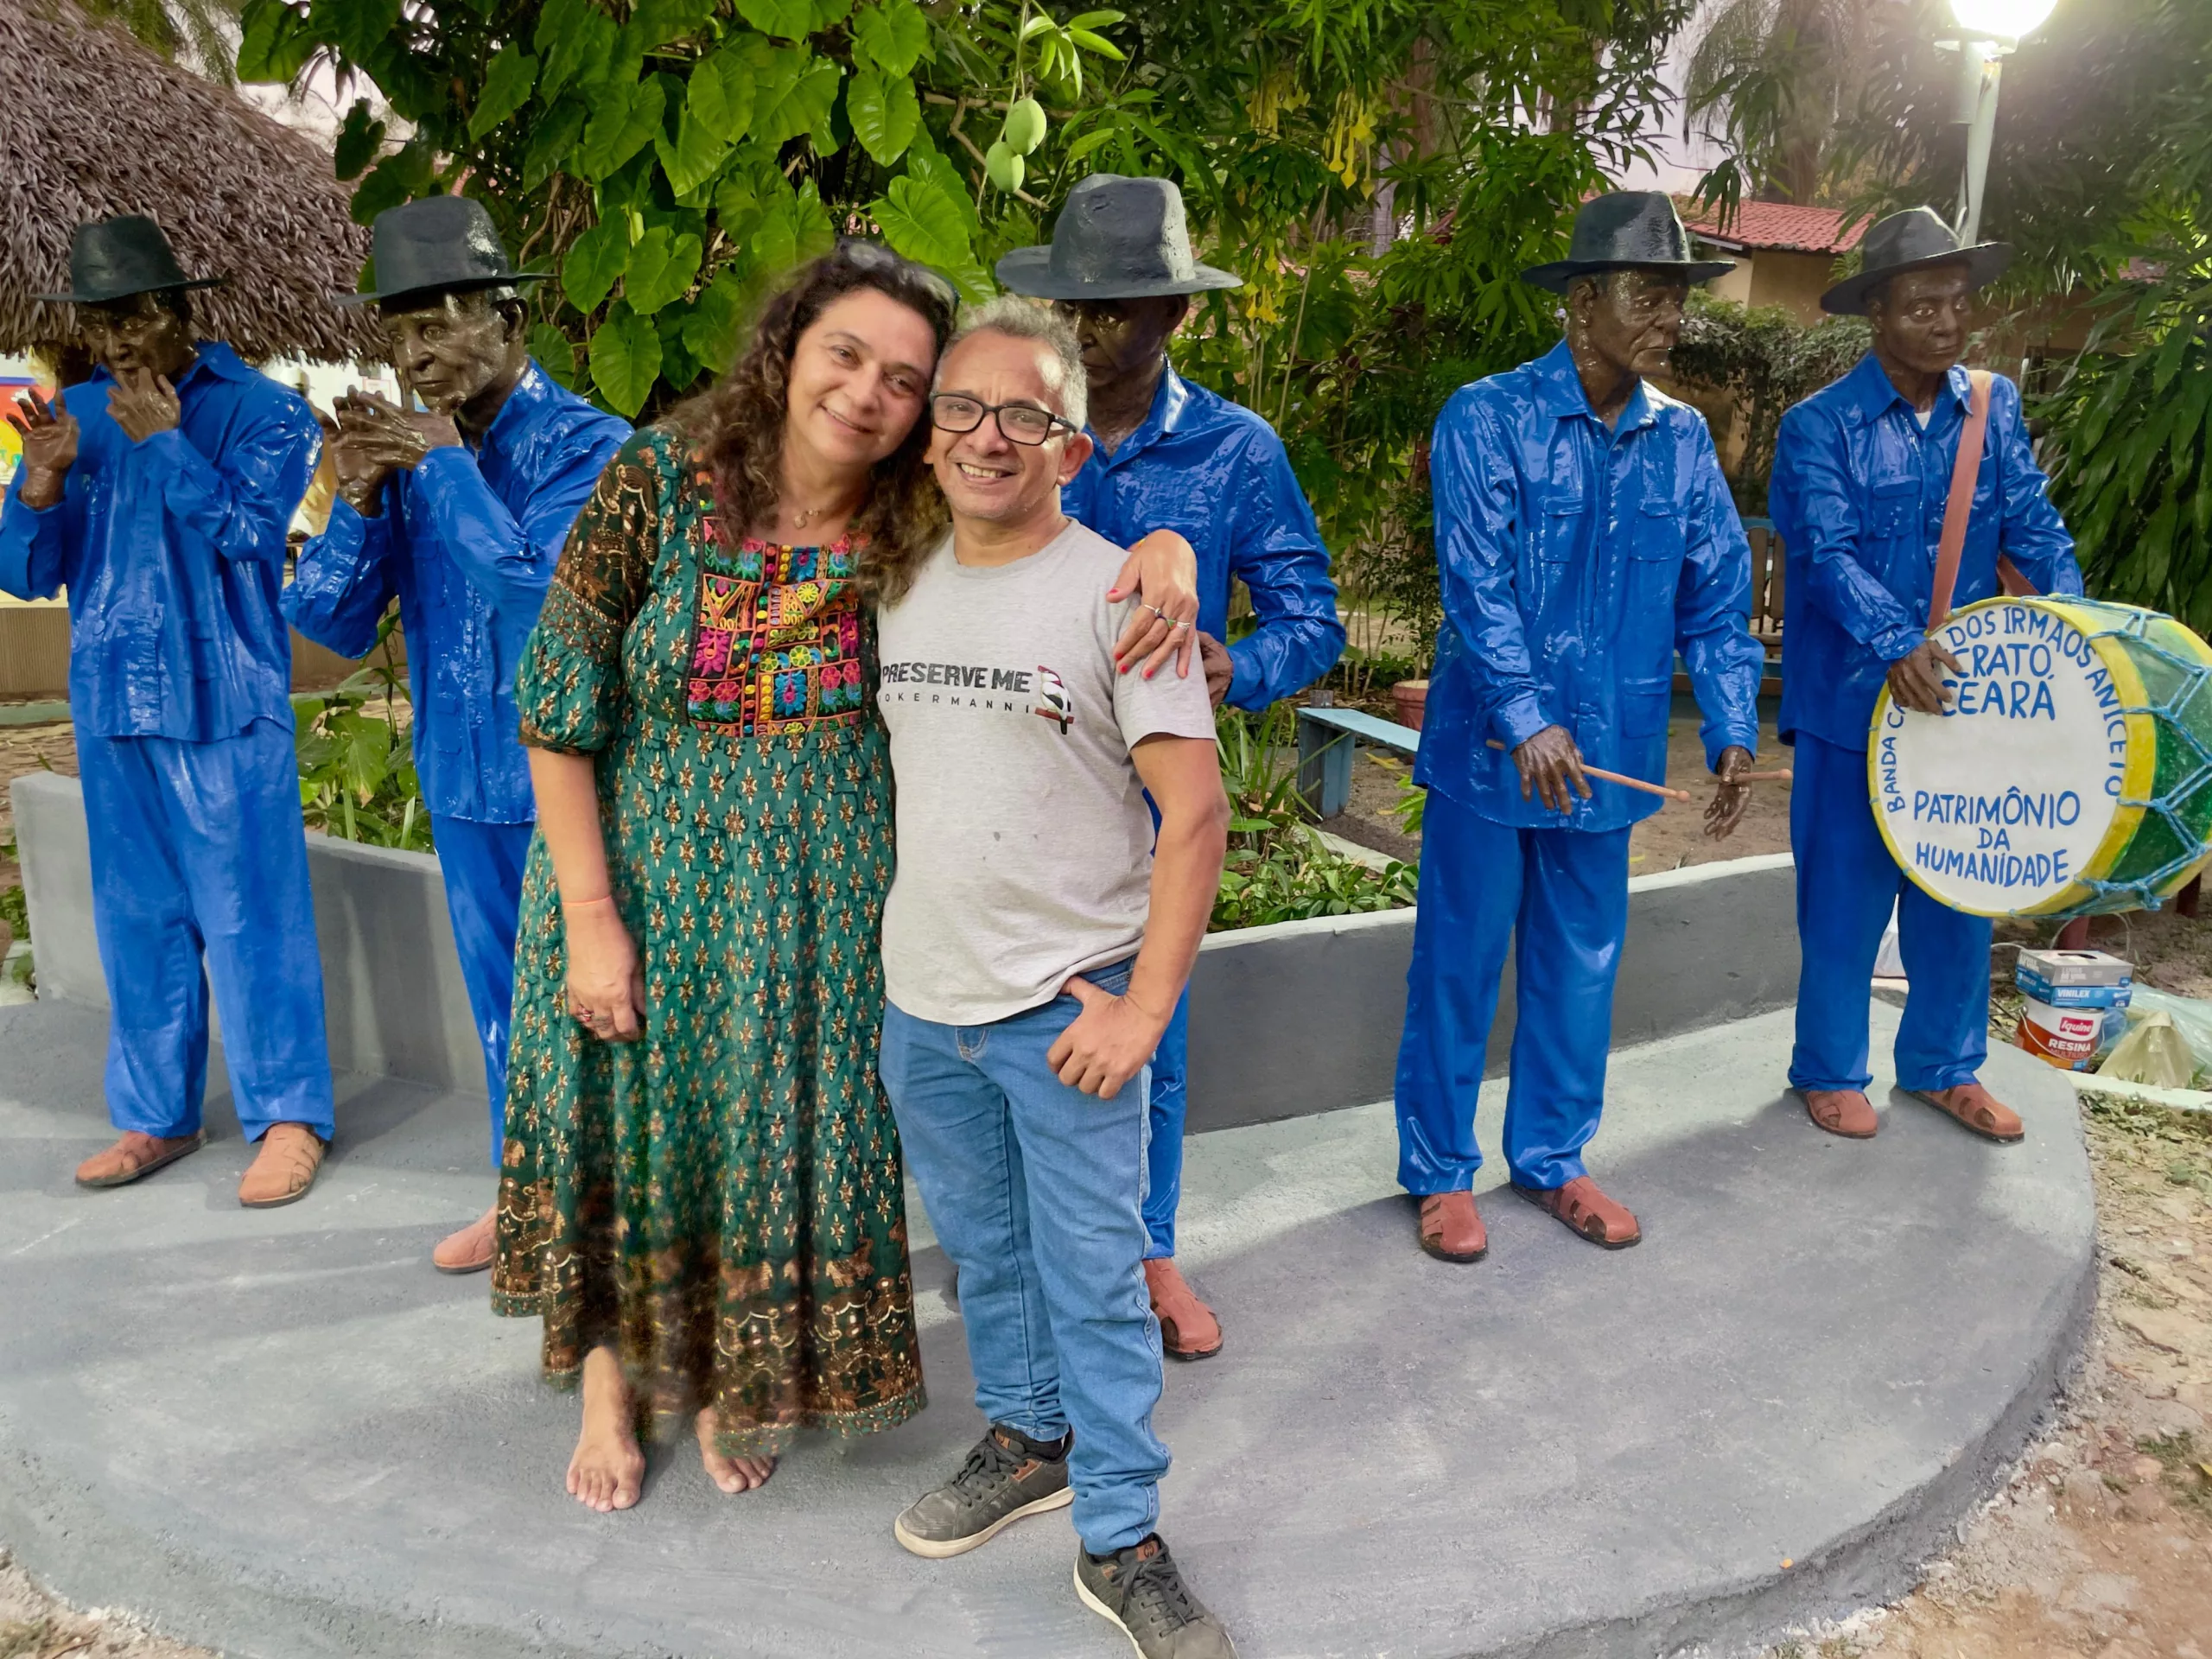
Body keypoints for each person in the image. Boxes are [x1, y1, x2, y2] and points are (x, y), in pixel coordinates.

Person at [490, 244, 1199, 1515]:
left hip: (816, 913)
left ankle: (720, 1377)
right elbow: (556, 705)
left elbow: (1055, 515)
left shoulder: (913, 520)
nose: (869, 392)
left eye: (903, 378)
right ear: (790, 350)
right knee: (631, 1130)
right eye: (845, 355)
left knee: (754, 1143)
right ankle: (610, 1379)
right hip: (641, 887)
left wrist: (1166, 548)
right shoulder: (660, 479)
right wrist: (592, 920)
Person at [880, 297, 1236, 1659]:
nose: (987, 436)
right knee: (988, 1259)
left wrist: (1144, 1008)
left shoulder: (1120, 598)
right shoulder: (898, 578)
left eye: (1024, 414)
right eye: (960, 409)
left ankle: (1123, 1537)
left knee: (1096, 1273)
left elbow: (1193, 817)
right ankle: (1028, 1441)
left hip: (1067, 1013)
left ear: (1070, 448)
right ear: (926, 438)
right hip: (925, 1009)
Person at [997, 174, 1345, 1359]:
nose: (1090, 336)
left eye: (1119, 313)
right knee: (1000, 1006)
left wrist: (1234, 665)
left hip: (1152, 800)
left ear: (1176, 319)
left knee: (1153, 1021)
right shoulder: (1013, 433)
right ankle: (1020, 1240)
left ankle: (1146, 1248)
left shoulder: (1238, 452)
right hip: (1011, 781)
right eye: (1075, 311)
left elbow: (1314, 615)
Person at [1396, 192, 1764, 1264]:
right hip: (1488, 756)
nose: (1669, 320)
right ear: (1579, 304)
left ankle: (1553, 1156)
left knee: (1581, 963)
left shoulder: (1682, 439)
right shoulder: (1487, 416)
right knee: (1457, 963)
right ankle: (1437, 1171)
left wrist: (1732, 722)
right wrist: (1523, 716)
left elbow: (1713, 592)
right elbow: (1474, 582)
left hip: (1613, 756)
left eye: (1675, 299)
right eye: (1647, 296)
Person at [284, 196, 630, 1274]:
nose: (415, 351)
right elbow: (330, 628)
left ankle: (622, 1225)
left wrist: (440, 467)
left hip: (579, 792)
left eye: (439, 320)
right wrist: (356, 500)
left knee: (609, 1012)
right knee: (501, 1012)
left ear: (510, 317)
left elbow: (542, 597)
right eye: (399, 330)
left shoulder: (593, 445)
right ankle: (528, 1196)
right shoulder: (408, 458)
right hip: (466, 778)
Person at [0, 214, 334, 1206]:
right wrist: (45, 477)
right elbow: (25, 570)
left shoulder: (267, 413)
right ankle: (157, 1116)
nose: (112, 342)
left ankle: (289, 1118)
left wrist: (172, 444)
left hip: (225, 700)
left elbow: (246, 537)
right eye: (96, 324)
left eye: (131, 317)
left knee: (251, 918)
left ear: (179, 309)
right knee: (139, 920)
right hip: (112, 702)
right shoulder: (81, 414)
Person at [1771, 207, 2082, 1143]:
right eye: (1921, 307)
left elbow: (2032, 528)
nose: (1946, 324)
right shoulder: (1815, 426)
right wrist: (1894, 638)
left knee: (1959, 887)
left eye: (1957, 304)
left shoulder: (1991, 408)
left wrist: (2068, 637)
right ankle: (1827, 1067)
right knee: (1844, 897)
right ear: (1876, 314)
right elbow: (1821, 553)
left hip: (1966, 701)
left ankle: (1944, 1067)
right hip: (1849, 703)